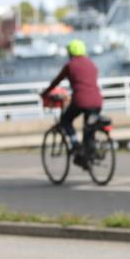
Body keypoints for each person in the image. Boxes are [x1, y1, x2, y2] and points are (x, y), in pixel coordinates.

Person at [41, 39, 103, 168]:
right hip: (97, 101)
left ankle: (75, 144)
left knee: (65, 120)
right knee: (89, 127)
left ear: (70, 52)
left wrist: (45, 92)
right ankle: (88, 154)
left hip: (81, 101)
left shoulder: (70, 65)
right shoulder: (91, 64)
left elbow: (56, 81)